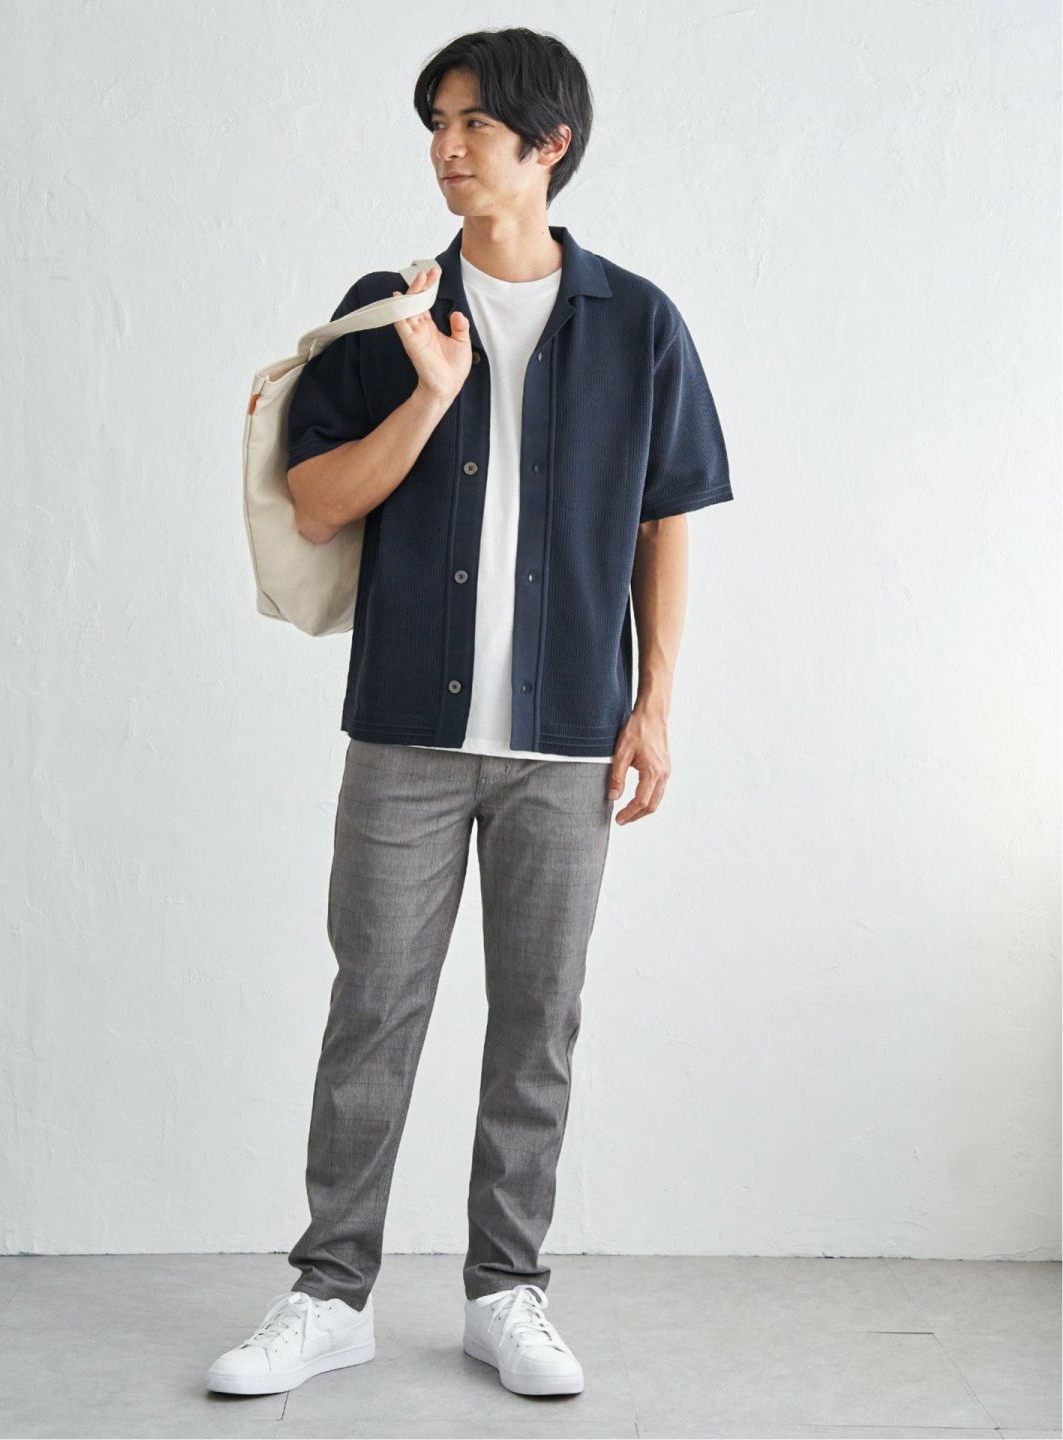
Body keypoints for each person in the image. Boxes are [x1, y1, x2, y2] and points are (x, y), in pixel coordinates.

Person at [206, 25, 733, 1401]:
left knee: (538, 1021)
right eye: (435, 123)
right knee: (371, 1012)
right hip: (406, 734)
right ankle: (330, 1295)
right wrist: (429, 398)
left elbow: (667, 520)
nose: (446, 148)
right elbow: (315, 502)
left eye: (474, 125)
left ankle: (507, 1291)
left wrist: (655, 704)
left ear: (549, 144)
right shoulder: (391, 311)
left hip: (569, 737)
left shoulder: (640, 323)